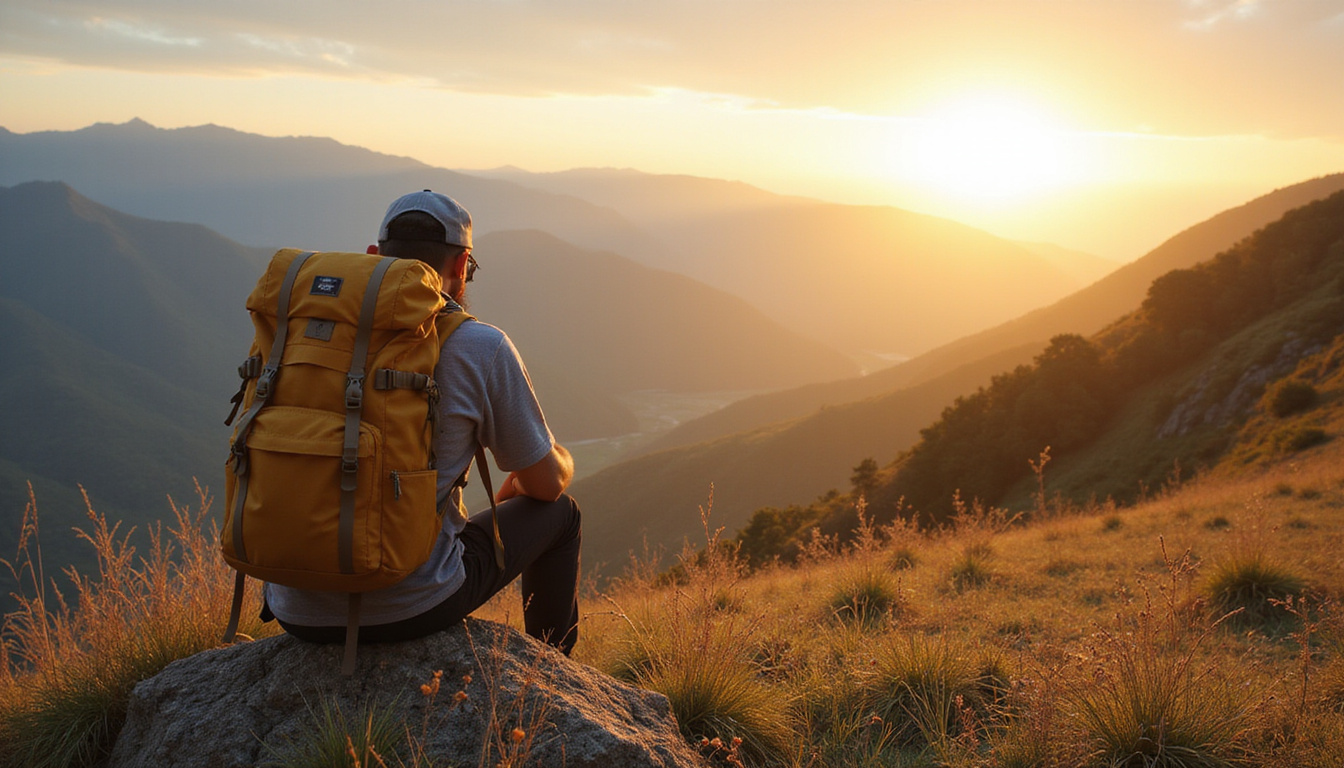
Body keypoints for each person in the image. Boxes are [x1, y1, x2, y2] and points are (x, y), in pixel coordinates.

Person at [264, 190, 581, 655]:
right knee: (562, 515)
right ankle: (553, 673)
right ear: (462, 264)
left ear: (373, 257)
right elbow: (547, 485)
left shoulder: (304, 329)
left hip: (294, 607)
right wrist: (553, 465)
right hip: (412, 604)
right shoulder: (478, 345)